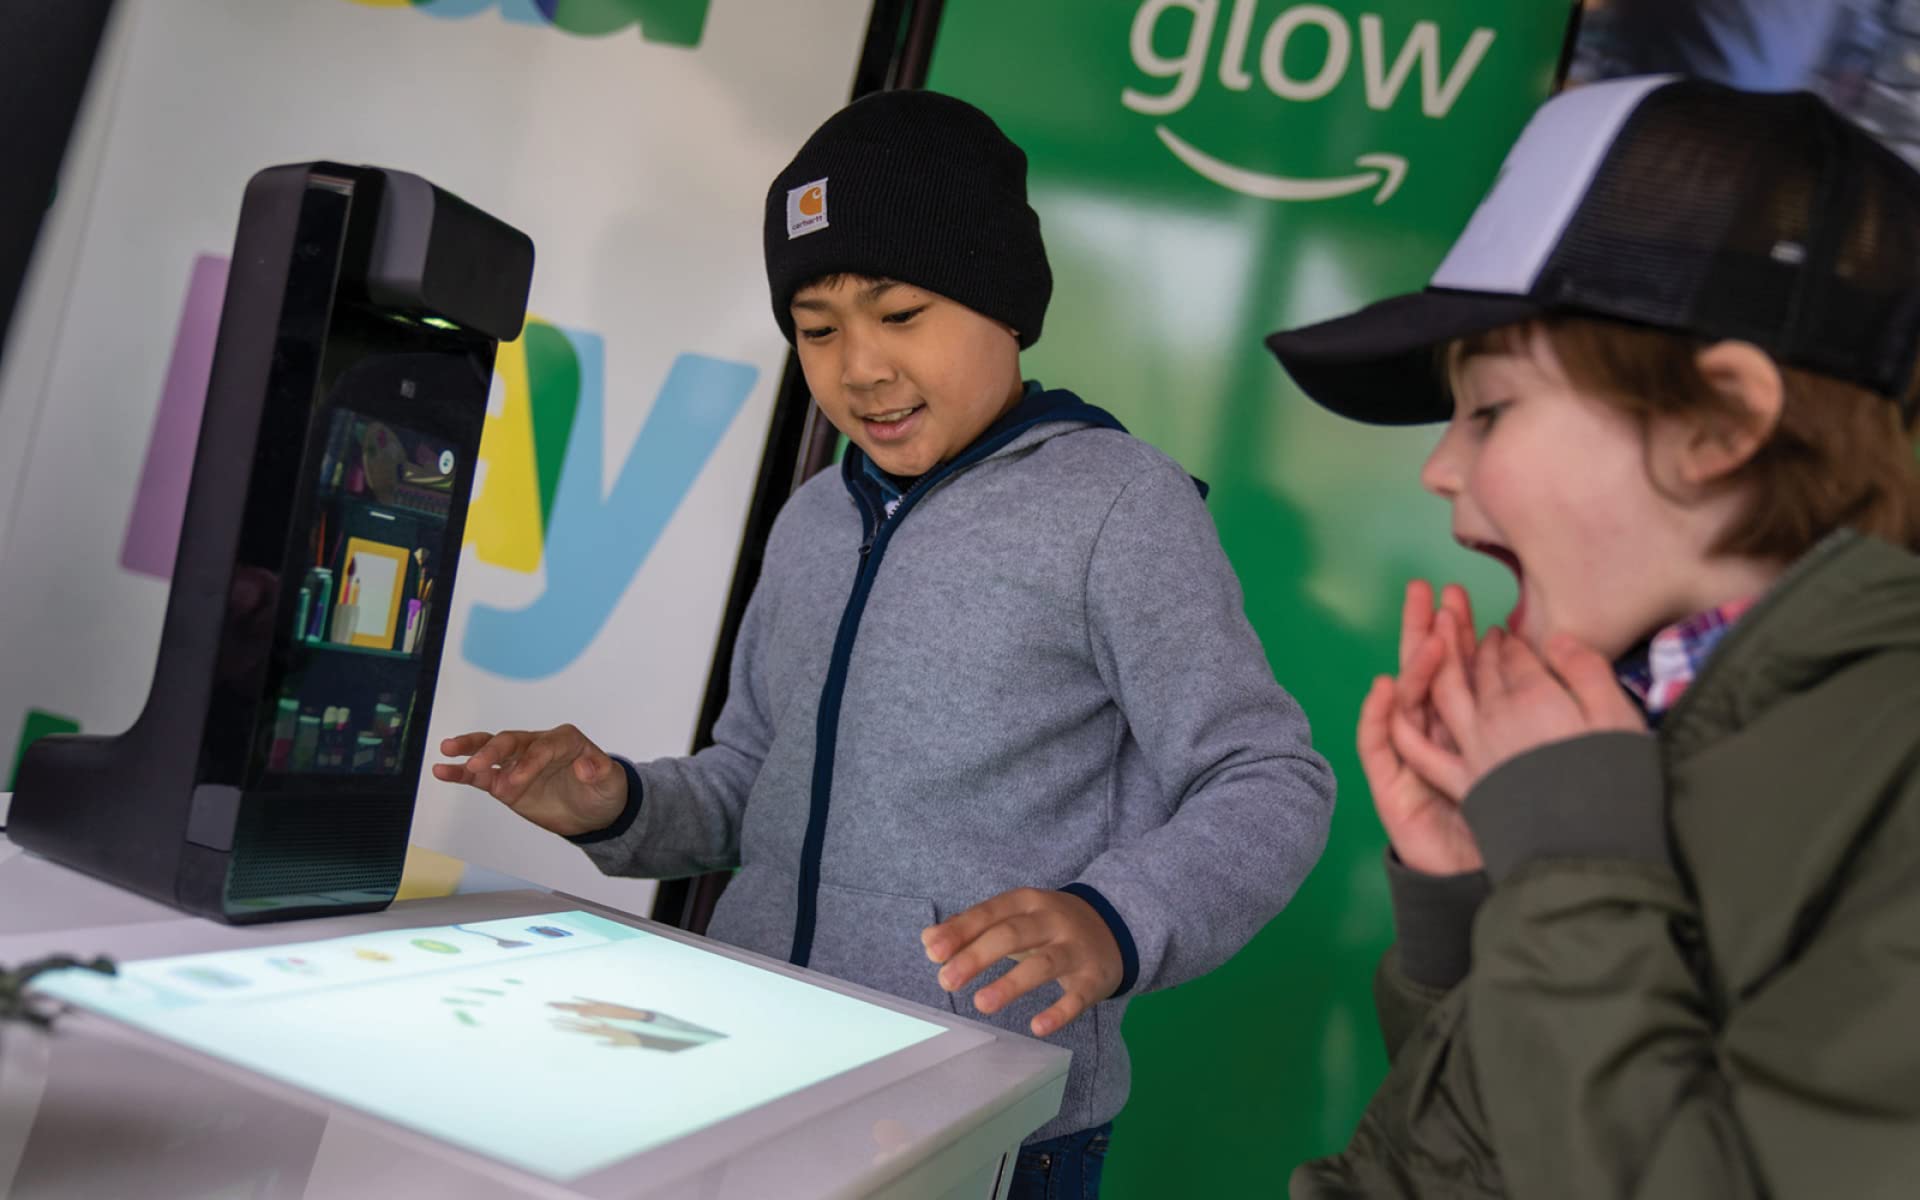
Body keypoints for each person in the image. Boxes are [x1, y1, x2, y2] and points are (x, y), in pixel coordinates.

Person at [438, 88, 1335, 1197]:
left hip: (985, 1120)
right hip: (752, 1074)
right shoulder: (814, 515)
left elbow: (1268, 776)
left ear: (1006, 307)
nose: (857, 367)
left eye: (899, 314)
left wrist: (1117, 921)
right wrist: (617, 803)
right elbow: (751, 784)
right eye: (817, 330)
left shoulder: (1119, 504)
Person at [1267, 75, 1920, 1197]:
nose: (1437, 466)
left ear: (1721, 420)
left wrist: (1568, 867)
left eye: (1493, 410)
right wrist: (1470, 914)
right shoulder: (1655, 711)